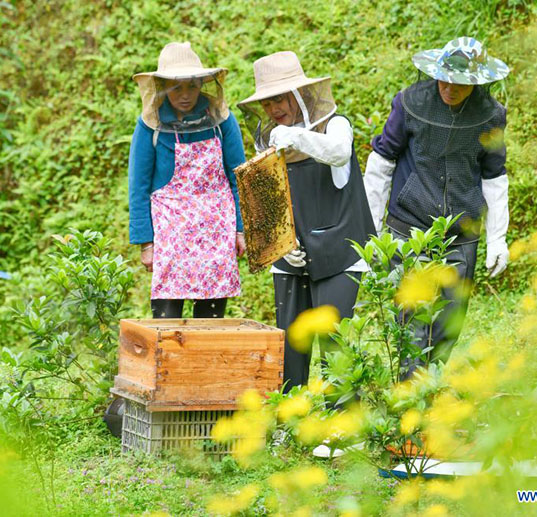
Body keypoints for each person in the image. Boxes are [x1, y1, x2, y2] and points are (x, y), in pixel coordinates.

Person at [364, 37, 511, 376]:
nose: (449, 87)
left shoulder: (492, 115)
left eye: (459, 83)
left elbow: (494, 176)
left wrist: (498, 238)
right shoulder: (409, 103)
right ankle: (408, 414)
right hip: (409, 230)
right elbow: (381, 161)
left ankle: (429, 406)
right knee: (412, 328)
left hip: (461, 237)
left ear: (477, 82)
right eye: (444, 78)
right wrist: (370, 230)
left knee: (447, 329)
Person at [237, 51, 376, 392]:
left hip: (340, 251)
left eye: (279, 99)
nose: (274, 110)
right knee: (290, 347)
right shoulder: (268, 137)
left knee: (334, 342)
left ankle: (340, 428)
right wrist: (280, 250)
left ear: (299, 93)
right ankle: (290, 419)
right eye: (267, 103)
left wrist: (298, 138)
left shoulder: (335, 124)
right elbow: (269, 204)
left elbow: (339, 151)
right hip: (292, 256)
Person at [129, 42, 246, 319]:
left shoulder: (221, 120)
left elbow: (237, 177)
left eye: (191, 86)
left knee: (211, 321)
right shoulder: (150, 124)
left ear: (201, 85)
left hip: (216, 230)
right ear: (164, 87)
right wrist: (147, 243)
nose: (185, 95)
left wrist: (241, 229)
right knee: (167, 321)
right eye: (176, 88)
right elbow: (139, 186)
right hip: (170, 231)